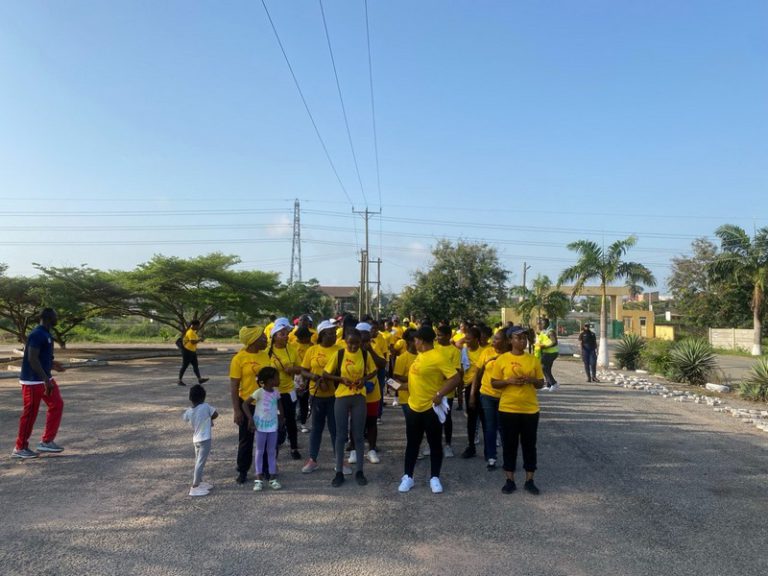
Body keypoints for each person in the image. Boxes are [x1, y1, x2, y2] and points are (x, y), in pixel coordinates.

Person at [398, 325, 462, 495]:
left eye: (416, 340)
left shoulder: (438, 357)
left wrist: (441, 393)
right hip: (414, 407)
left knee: (434, 444)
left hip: (430, 408)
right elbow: (416, 382)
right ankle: (408, 477)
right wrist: (399, 386)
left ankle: (434, 477)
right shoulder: (420, 356)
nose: (414, 342)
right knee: (412, 443)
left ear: (422, 341)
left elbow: (455, 377)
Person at [491, 326, 545, 495]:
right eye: (518, 338)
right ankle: (510, 480)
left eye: (524, 338)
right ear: (510, 341)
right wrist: (509, 381)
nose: (522, 341)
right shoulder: (502, 359)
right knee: (509, 445)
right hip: (508, 409)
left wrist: (532, 380)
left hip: (530, 409)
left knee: (529, 445)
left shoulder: (533, 360)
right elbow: (494, 383)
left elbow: (541, 383)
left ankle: (530, 480)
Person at [323, 329, 377, 487]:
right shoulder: (339, 354)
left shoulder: (365, 354)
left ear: (361, 342)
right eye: (350, 343)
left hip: (359, 397)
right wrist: (340, 379)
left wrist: (363, 379)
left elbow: (373, 371)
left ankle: (360, 471)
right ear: (345, 341)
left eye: (356, 343)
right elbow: (325, 374)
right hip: (341, 396)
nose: (353, 346)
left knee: (359, 435)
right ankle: (338, 471)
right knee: (340, 436)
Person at [12, 308, 66, 459]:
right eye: (56, 316)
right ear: (49, 317)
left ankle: (47, 441)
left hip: (43, 378)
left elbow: (41, 357)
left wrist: (53, 364)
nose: (57, 318)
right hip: (32, 381)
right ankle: (20, 447)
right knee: (30, 414)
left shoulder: (46, 334)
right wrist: (45, 379)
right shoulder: (37, 334)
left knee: (57, 404)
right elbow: (32, 358)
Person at [229, 325, 270, 484]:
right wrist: (236, 410)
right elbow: (233, 386)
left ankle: (266, 468)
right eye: (262, 337)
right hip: (246, 404)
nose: (266, 339)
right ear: (252, 341)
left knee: (266, 438)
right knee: (246, 439)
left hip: (265, 403)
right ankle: (243, 470)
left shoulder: (265, 356)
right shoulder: (239, 359)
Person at [300, 320, 340, 474]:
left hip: (335, 396)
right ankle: (312, 459)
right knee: (316, 428)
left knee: (335, 429)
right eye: (331, 333)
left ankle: (339, 459)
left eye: (335, 333)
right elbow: (303, 370)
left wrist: (330, 378)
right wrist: (315, 377)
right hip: (316, 395)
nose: (335, 336)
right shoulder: (312, 350)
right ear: (322, 334)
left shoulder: (340, 350)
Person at [267, 318, 304, 460]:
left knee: (291, 420)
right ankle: (274, 447)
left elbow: (299, 368)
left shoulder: (292, 349)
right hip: (272, 393)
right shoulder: (268, 352)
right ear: (274, 336)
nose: (286, 336)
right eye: (282, 334)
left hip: (289, 391)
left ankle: (294, 447)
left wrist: (293, 369)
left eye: (286, 333)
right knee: (275, 421)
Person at [472, 329, 509, 468]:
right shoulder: (486, 352)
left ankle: (508, 457)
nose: (493, 341)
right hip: (487, 394)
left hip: (504, 396)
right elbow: (478, 372)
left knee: (503, 428)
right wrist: (472, 395)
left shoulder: (510, 355)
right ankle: (491, 456)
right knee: (489, 427)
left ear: (506, 341)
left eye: (497, 339)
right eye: (493, 338)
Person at [244, 367, 284, 491]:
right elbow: (245, 404)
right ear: (269, 380)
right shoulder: (259, 392)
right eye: (277, 377)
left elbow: (280, 408)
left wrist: (282, 420)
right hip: (260, 427)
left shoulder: (276, 392)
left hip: (273, 427)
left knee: (272, 451)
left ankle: (272, 477)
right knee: (260, 451)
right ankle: (258, 478)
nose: (279, 379)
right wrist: (250, 419)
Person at [182, 384, 218, 497]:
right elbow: (216, 414)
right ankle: (195, 486)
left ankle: (200, 481)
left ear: (190, 398)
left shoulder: (189, 411)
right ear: (203, 398)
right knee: (200, 462)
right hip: (205, 439)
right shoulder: (206, 406)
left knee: (198, 460)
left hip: (196, 439)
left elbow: (185, 418)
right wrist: (208, 418)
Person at [434, 324, 462, 458]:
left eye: (440, 335)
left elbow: (456, 370)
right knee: (432, 418)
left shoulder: (454, 351)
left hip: (448, 389)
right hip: (432, 388)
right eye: (437, 335)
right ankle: (433, 443)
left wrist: (443, 374)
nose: (437, 338)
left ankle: (448, 445)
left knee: (446, 417)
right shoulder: (433, 348)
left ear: (448, 336)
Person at [460, 326, 485, 458]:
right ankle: (471, 446)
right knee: (471, 419)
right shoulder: (463, 351)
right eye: (465, 338)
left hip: (482, 387)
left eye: (469, 339)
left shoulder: (484, 352)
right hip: (468, 386)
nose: (466, 341)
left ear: (477, 339)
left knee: (485, 418)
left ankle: (489, 449)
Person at [178, 320, 209, 387]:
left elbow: (194, 341)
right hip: (187, 351)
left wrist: (199, 340)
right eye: (197, 326)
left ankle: (200, 379)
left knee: (195, 366)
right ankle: (179, 380)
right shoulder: (190, 332)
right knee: (184, 366)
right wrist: (200, 340)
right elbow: (192, 342)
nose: (198, 327)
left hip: (192, 351)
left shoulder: (193, 332)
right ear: (193, 325)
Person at [535, 318, 559, 391]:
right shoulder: (544, 332)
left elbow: (554, 342)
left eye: (543, 323)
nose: (541, 325)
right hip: (546, 352)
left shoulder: (550, 332)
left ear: (547, 324)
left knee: (544, 367)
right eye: (540, 323)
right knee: (547, 368)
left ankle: (554, 383)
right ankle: (548, 385)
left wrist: (545, 346)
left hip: (551, 352)